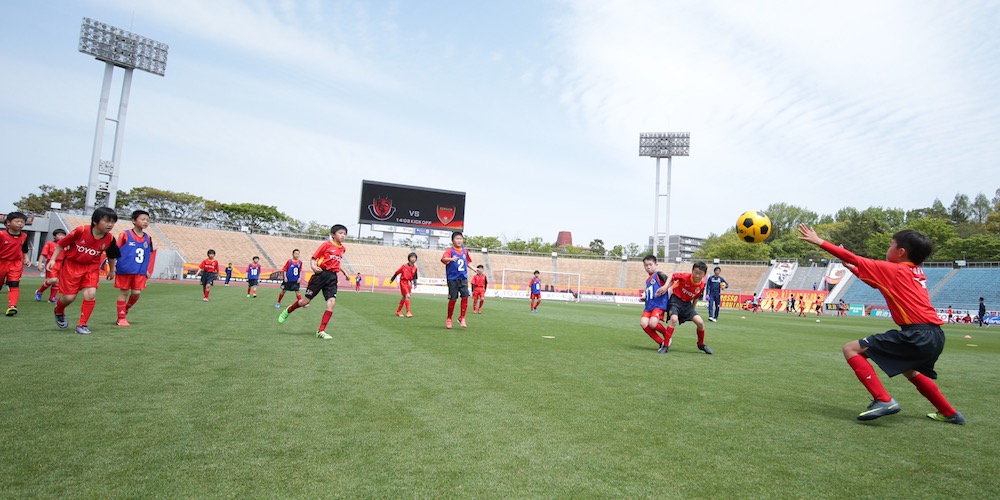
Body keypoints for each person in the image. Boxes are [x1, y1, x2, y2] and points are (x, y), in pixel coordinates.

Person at [798, 224, 964, 424]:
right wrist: (853, 269)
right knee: (909, 370)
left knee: (851, 349)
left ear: (901, 252)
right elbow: (876, 282)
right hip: (934, 335)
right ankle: (949, 413)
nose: (888, 249)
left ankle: (883, 400)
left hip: (916, 334)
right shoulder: (916, 273)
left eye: (890, 245)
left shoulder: (895, 270)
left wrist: (819, 241)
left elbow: (855, 258)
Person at [49, 207, 121, 334]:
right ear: (95, 221)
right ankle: (59, 310)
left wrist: (112, 270)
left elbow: (112, 255)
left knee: (91, 294)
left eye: (113, 222)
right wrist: (53, 259)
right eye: (107, 221)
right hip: (72, 266)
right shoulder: (81, 231)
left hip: (91, 268)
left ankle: (82, 325)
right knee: (69, 298)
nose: (110, 224)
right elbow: (61, 244)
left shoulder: (110, 239)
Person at [278, 224, 352, 339]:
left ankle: (321, 331)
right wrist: (313, 266)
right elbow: (314, 258)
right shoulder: (326, 245)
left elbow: (337, 262)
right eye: (340, 233)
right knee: (304, 302)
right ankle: (287, 310)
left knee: (331, 303)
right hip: (320, 275)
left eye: (344, 234)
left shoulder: (343, 249)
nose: (343, 236)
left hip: (332, 278)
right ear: (333, 235)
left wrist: (345, 272)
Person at [113, 210, 156, 327]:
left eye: (147, 220)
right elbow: (116, 250)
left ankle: (124, 310)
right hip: (125, 269)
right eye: (143, 219)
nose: (146, 222)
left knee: (136, 293)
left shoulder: (148, 238)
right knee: (124, 291)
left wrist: (146, 269)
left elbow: (148, 254)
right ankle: (121, 318)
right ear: (134, 221)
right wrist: (113, 266)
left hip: (140, 271)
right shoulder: (125, 235)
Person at [663, 261, 713, 354]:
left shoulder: (701, 286)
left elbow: (696, 297)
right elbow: (672, 275)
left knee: (700, 322)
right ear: (692, 271)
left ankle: (701, 344)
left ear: (704, 274)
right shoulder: (685, 277)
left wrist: (692, 310)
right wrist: (665, 287)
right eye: (695, 272)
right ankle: (665, 346)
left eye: (700, 273)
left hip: (687, 305)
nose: (697, 275)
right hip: (675, 300)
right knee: (673, 319)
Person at [639, 255, 672, 354]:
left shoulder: (659, 274)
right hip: (649, 306)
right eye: (646, 265)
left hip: (659, 305)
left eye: (650, 264)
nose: (648, 267)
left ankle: (667, 335)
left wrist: (665, 288)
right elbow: (651, 292)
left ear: (656, 264)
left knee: (652, 324)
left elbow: (671, 281)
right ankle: (662, 342)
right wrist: (644, 298)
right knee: (643, 323)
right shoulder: (648, 280)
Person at [1, 212, 31, 316]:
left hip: (16, 263)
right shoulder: (1, 234)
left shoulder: (24, 236)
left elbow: (24, 249)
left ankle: (12, 306)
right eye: (17, 221)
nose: (20, 224)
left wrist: (26, 258)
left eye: (22, 222)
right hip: (1, 262)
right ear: (8, 223)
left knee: (14, 283)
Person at [441, 231, 471, 329]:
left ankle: (462, 317)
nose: (459, 241)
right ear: (453, 240)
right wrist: (451, 259)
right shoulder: (450, 250)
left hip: (463, 278)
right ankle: (449, 318)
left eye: (460, 239)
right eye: (457, 239)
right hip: (452, 279)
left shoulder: (465, 251)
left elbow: (468, 263)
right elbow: (443, 259)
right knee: (453, 299)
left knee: (465, 297)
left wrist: (475, 269)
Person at [35, 228, 66, 303]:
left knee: (57, 282)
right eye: (60, 235)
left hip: (62, 264)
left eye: (63, 235)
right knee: (53, 280)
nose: (62, 236)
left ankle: (52, 298)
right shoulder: (50, 244)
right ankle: (39, 291)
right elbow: (43, 254)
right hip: (52, 264)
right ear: (54, 236)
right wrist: (39, 264)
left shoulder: (66, 245)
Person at [390, 252, 419, 317]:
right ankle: (408, 312)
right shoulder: (404, 266)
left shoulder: (415, 268)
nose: (413, 258)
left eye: (414, 257)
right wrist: (392, 279)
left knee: (404, 297)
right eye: (412, 257)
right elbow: (397, 272)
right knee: (407, 296)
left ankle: (398, 311)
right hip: (403, 282)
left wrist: (415, 284)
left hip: (409, 283)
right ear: (409, 258)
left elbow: (415, 277)